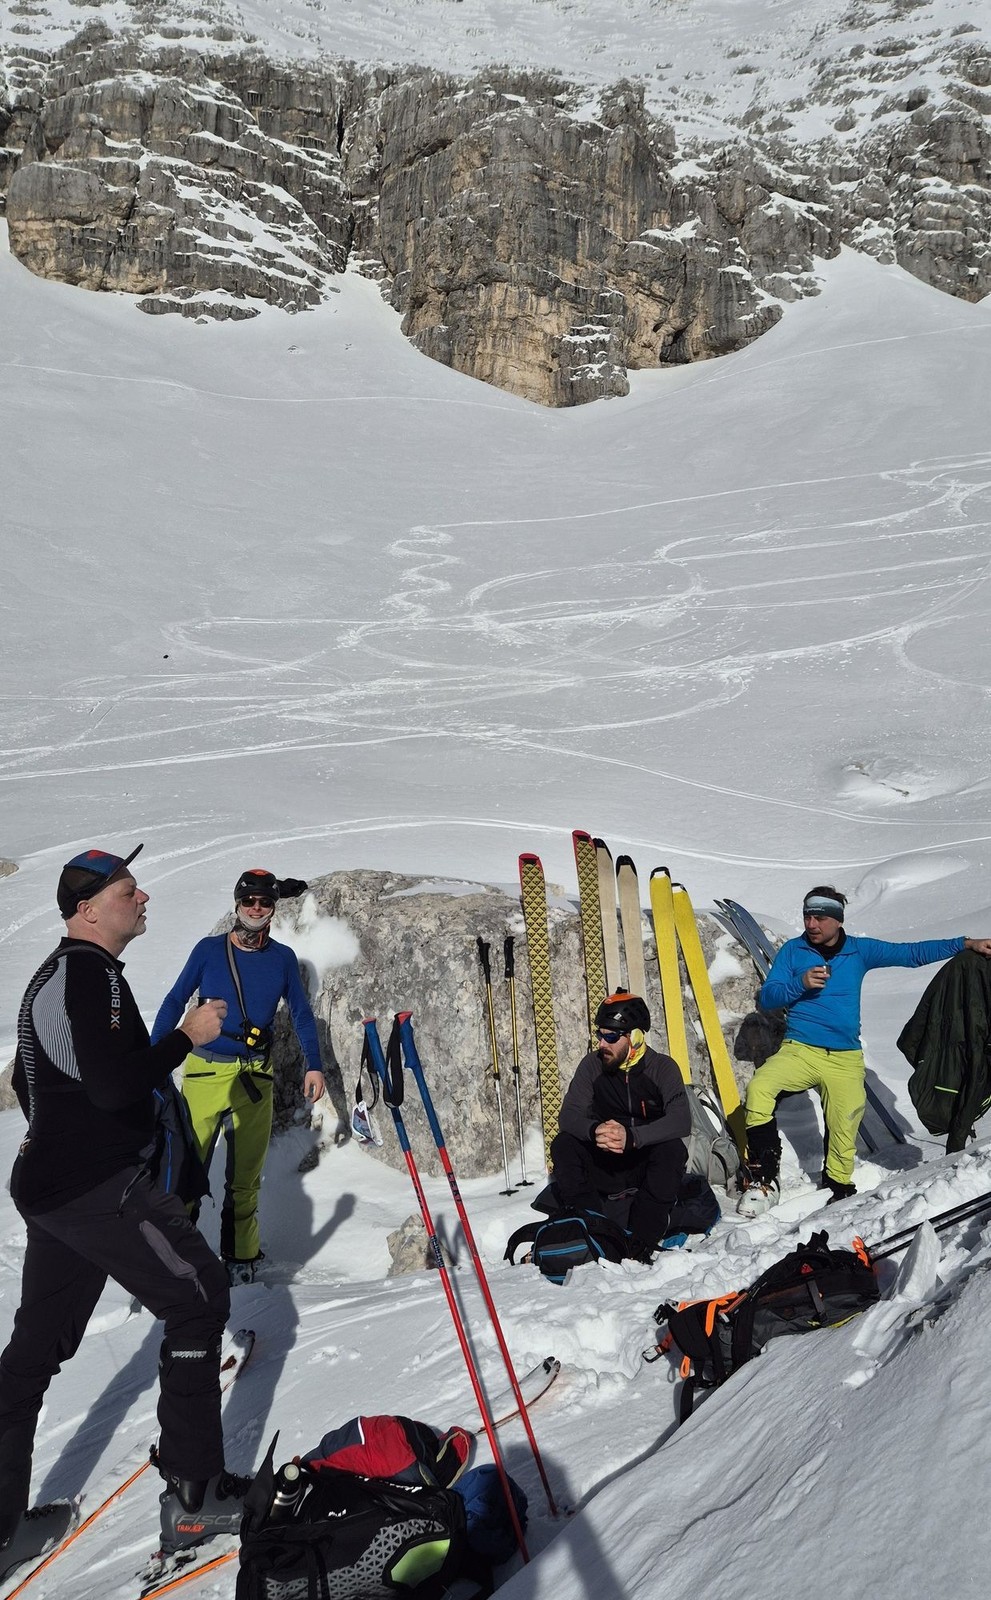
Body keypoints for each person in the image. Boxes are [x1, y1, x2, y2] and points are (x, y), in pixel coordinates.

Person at [0, 844, 250, 1572]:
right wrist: (186, 1037)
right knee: (199, 1298)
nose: (143, 899)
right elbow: (114, 1086)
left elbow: (36, 1081)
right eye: (127, 892)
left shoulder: (58, 972)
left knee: (33, 1353)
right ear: (87, 910)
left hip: (52, 1188)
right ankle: (197, 1502)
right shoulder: (90, 973)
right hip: (93, 1187)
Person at [738, 885, 991, 1215]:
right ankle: (765, 1179)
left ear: (837, 920)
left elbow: (911, 954)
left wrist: (966, 944)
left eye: (819, 918)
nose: (811, 924)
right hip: (800, 1050)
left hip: (844, 1058)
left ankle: (837, 1188)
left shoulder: (859, 951)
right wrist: (800, 984)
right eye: (807, 917)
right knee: (760, 1088)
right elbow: (768, 997)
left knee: (844, 1125)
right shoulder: (793, 951)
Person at [152, 869, 326, 1286]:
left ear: (273, 908)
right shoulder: (209, 950)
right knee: (187, 1173)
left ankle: (241, 1260)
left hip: (255, 1077)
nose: (256, 908)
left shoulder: (282, 958)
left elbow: (301, 1014)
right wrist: (154, 1057)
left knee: (246, 1180)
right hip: (204, 1072)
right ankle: (177, 1262)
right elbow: (175, 999)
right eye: (249, 901)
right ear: (237, 904)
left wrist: (314, 1063)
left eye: (264, 902)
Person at [549, 992, 690, 1262]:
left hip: (643, 1165)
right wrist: (595, 1131)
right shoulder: (592, 1065)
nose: (602, 1043)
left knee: (672, 1150)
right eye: (600, 1035)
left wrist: (633, 1137)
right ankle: (593, 1227)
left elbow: (681, 1119)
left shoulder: (662, 1068)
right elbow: (569, 1115)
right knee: (564, 1144)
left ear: (634, 1037)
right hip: (605, 1162)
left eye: (611, 1037)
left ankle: (641, 1240)